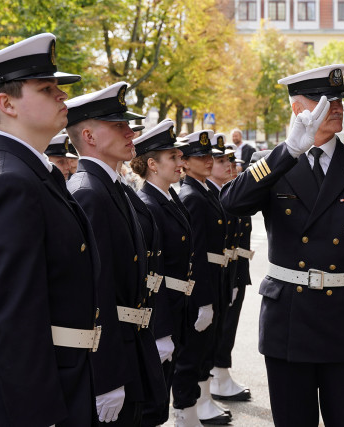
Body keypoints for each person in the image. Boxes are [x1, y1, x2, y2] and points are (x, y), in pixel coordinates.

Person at [0, 34, 102, 427]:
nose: (62, 96)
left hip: (51, 371)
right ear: (6, 103)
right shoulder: (10, 179)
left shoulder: (29, 171)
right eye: (47, 89)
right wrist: (36, 411)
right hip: (20, 392)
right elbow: (13, 313)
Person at [220, 64, 344, 427]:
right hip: (290, 321)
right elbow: (231, 204)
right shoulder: (270, 164)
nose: (336, 107)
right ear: (298, 110)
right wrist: (287, 152)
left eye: (338, 100)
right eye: (322, 101)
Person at [66, 82, 165, 426]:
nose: (130, 131)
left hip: (130, 341)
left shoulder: (111, 187)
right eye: (118, 126)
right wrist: (106, 375)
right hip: (111, 350)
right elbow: (95, 291)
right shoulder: (88, 192)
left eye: (128, 125)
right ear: (90, 136)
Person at [129, 119, 194, 426]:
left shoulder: (169, 197)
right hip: (162, 313)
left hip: (177, 307)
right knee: (151, 404)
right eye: (174, 158)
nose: (181, 163)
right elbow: (152, 277)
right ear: (152, 164)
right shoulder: (148, 205)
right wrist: (162, 329)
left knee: (161, 396)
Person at [178, 130, 231, 425]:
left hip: (216, 276)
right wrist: (203, 299)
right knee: (195, 350)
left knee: (207, 346)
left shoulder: (204, 191)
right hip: (204, 279)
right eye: (201, 157)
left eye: (210, 155)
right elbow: (195, 253)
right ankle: (188, 410)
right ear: (184, 162)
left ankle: (202, 402)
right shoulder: (192, 196)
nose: (209, 161)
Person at [207, 134, 253, 403]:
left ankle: (221, 371)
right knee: (221, 327)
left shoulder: (226, 192)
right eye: (221, 160)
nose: (230, 165)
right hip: (222, 270)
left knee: (228, 324)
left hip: (234, 268)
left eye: (230, 160)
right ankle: (218, 373)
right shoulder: (212, 196)